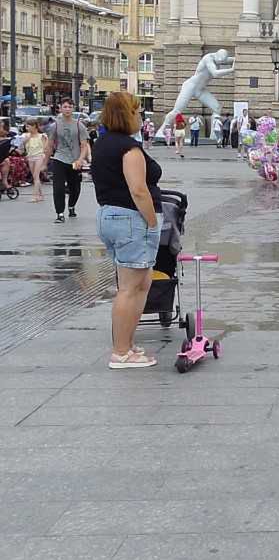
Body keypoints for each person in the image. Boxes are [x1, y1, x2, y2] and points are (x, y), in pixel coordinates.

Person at [90, 92, 164, 369]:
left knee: (140, 284)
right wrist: (152, 222)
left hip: (109, 214)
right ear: (127, 115)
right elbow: (138, 189)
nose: (140, 117)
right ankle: (121, 352)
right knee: (130, 288)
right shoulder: (128, 148)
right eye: (137, 112)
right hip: (131, 218)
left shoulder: (103, 143)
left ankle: (128, 345)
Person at [48, 99, 90, 223]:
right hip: (59, 158)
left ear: (73, 109)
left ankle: (71, 206)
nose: (67, 109)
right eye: (65, 107)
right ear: (60, 108)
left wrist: (80, 159)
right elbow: (50, 145)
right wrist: (45, 162)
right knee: (58, 187)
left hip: (75, 160)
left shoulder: (79, 125)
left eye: (70, 107)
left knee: (75, 187)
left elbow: (84, 145)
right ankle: (60, 213)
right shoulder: (55, 125)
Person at [23, 119, 49, 202]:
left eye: (28, 126)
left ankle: (35, 196)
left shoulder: (42, 136)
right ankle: (41, 195)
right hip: (30, 156)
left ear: (34, 126)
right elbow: (23, 144)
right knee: (35, 176)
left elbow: (46, 147)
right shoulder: (26, 135)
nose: (27, 128)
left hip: (39, 156)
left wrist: (45, 159)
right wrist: (28, 138)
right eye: (26, 126)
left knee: (35, 176)